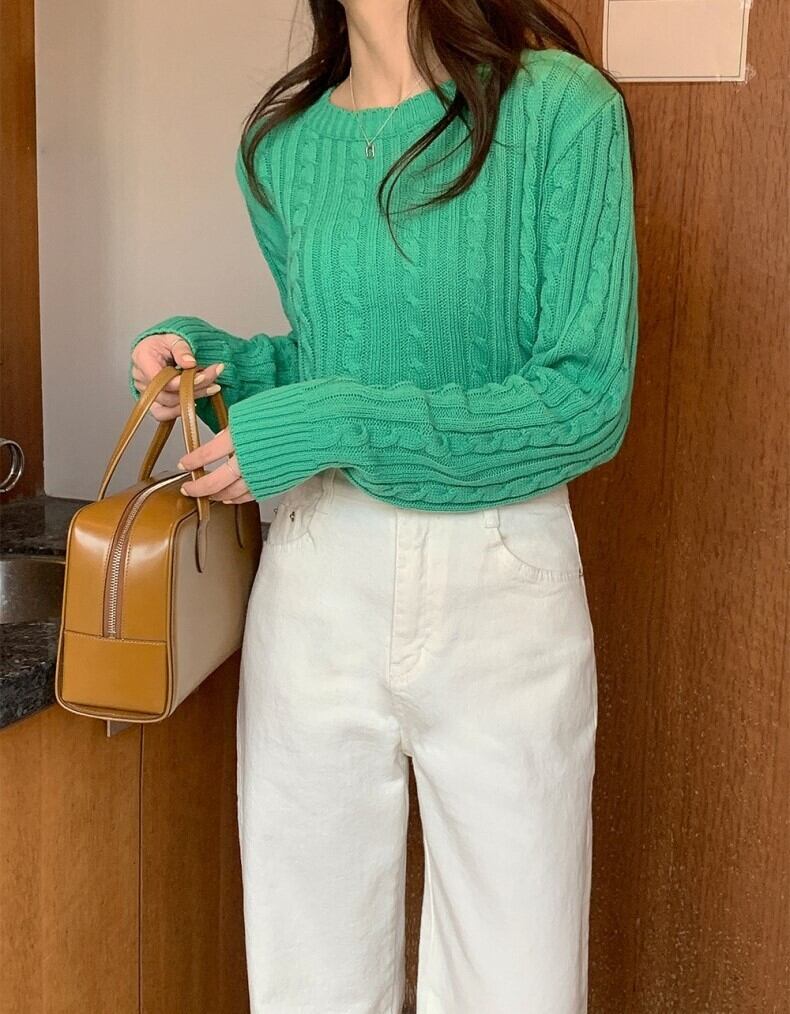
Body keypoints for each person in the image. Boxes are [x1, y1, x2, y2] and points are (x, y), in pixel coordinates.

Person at [129, 2, 639, 1010]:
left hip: (503, 582)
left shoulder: (562, 110)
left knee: (518, 984)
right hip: (317, 574)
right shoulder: (280, 148)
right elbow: (332, 361)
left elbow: (584, 403)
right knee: (308, 979)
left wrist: (332, 421)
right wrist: (212, 369)